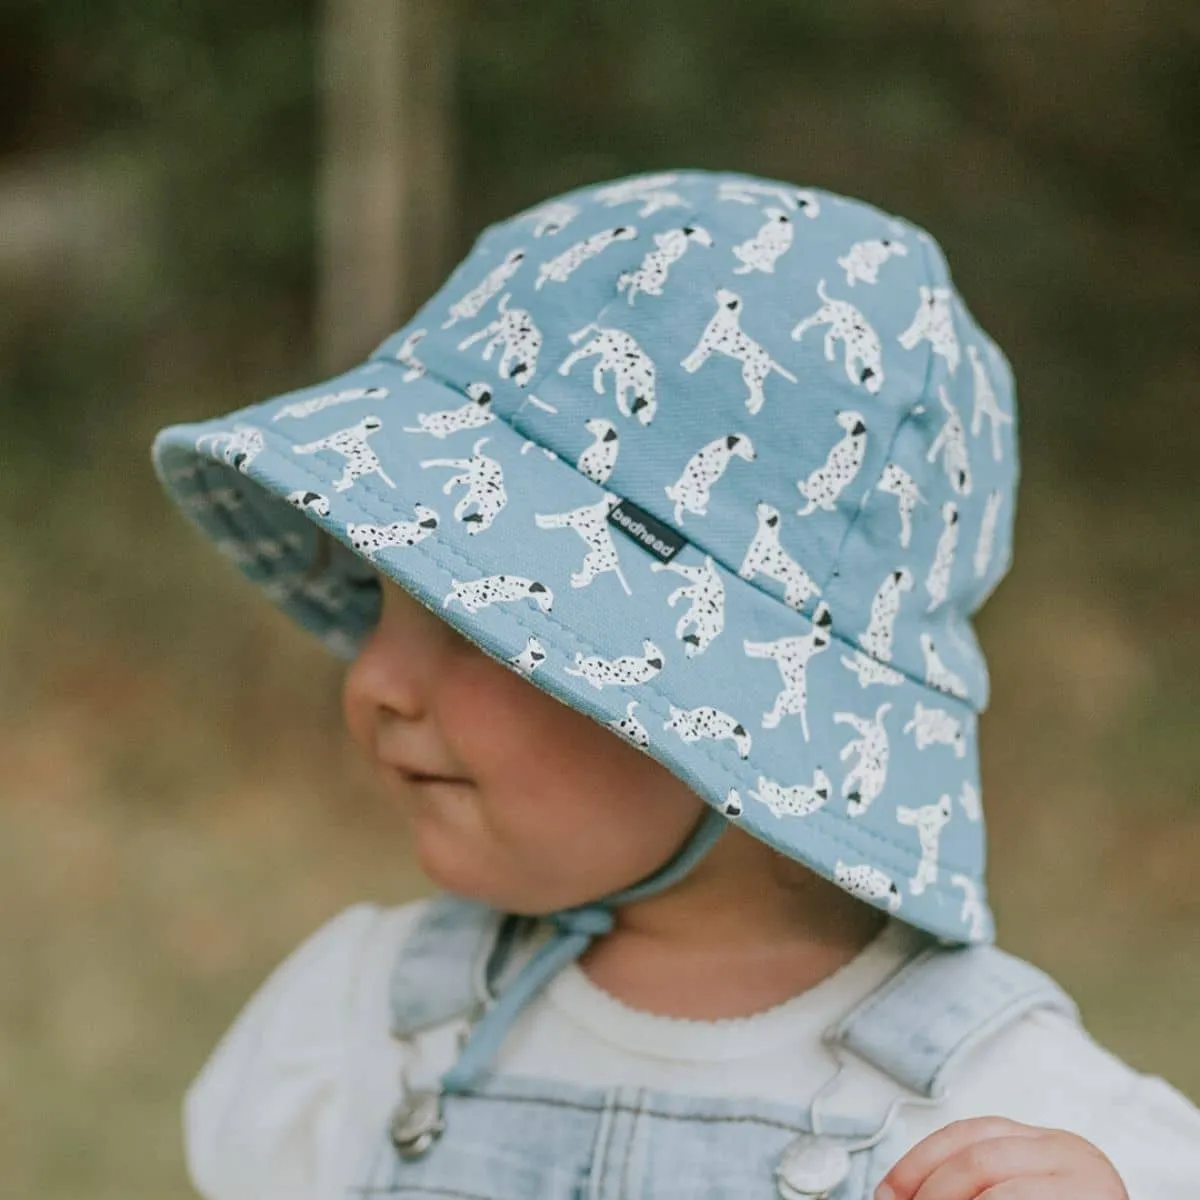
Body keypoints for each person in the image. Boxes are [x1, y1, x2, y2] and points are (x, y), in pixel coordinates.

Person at [151, 170, 1200, 1199]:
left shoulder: (1012, 1121)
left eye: (474, 625)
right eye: (383, 598)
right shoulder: (369, 1026)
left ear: (739, 708)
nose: (373, 681)